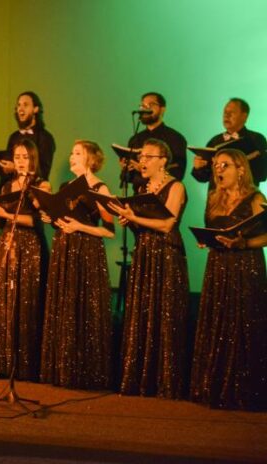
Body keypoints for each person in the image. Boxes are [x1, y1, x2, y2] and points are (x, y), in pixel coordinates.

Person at [112, 138, 189, 400]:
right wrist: (129, 220)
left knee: (164, 313)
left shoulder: (175, 186)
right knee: (143, 311)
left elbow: (167, 224)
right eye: (141, 157)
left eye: (148, 157)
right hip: (144, 253)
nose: (142, 161)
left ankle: (165, 381)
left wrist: (135, 217)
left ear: (163, 160)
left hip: (166, 253)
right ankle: (140, 378)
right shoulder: (141, 187)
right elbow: (142, 225)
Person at [190, 149, 267, 411]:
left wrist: (244, 243)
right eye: (215, 165)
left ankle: (244, 389)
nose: (218, 170)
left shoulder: (256, 198)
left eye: (225, 165)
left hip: (245, 265)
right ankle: (215, 386)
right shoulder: (214, 197)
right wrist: (207, 240)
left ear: (241, 169)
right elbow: (213, 228)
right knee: (219, 321)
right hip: (219, 265)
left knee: (242, 322)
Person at [40, 141, 114, 390]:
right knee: (65, 307)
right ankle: (62, 368)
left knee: (83, 308)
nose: (71, 156)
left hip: (87, 252)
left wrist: (79, 227)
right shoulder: (66, 187)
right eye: (71, 152)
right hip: (64, 249)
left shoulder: (100, 188)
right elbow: (62, 220)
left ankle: (86, 372)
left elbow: (109, 230)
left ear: (91, 159)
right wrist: (51, 217)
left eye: (78, 153)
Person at [0, 139, 50, 380]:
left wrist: (7, 214)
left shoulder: (42, 184)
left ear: (33, 159)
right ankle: (4, 361)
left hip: (29, 246)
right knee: (5, 299)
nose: (21, 161)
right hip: (7, 244)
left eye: (25, 157)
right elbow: (1, 223)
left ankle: (26, 363)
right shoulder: (7, 185)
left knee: (27, 299)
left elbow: (37, 221)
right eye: (17, 157)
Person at [192, 98, 267, 186]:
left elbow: (262, 174)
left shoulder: (256, 139)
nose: (226, 116)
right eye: (225, 112)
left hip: (246, 193)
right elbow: (203, 178)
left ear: (244, 116)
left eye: (232, 112)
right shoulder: (215, 141)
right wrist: (198, 168)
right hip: (217, 194)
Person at [124, 92, 187, 190]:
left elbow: (178, 173)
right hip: (139, 193)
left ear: (162, 109)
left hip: (164, 193)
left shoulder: (176, 138)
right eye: (143, 105)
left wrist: (147, 169)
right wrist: (127, 168)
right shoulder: (135, 139)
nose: (146, 108)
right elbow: (129, 179)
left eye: (151, 104)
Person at [0, 91, 56, 186]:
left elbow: (43, 171)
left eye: (25, 105)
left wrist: (15, 168)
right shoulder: (14, 136)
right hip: (12, 189)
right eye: (19, 105)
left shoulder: (45, 137)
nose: (20, 109)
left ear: (35, 109)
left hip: (33, 190)